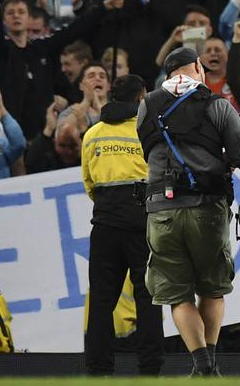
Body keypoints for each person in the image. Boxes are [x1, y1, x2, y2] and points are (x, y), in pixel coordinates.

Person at [136, 47, 240, 376]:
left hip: (160, 210)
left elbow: (149, 149)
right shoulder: (216, 103)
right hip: (207, 208)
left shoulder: (147, 104)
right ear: (198, 69)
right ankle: (211, 365)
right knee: (213, 288)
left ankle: (202, 366)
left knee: (177, 295)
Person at [81, 74, 163, 376]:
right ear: (141, 98)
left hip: (104, 223)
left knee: (102, 301)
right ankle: (150, 369)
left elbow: (88, 183)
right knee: (148, 297)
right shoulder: (148, 130)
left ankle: (97, 369)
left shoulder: (93, 134)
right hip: (143, 222)